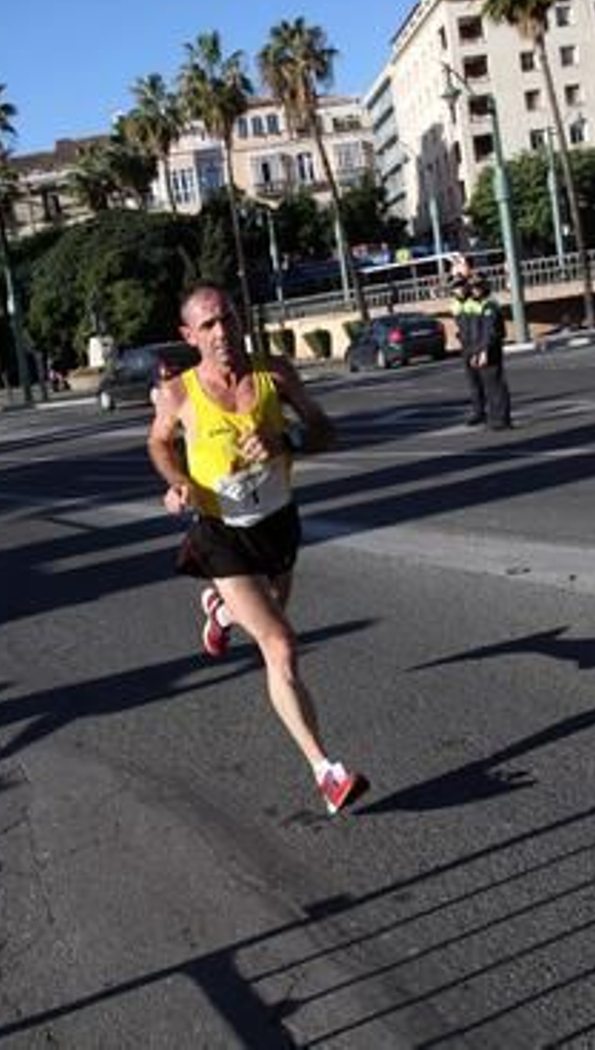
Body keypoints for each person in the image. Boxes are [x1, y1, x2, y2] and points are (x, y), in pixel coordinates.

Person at [147, 282, 368, 815]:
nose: (222, 332)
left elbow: (326, 431)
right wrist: (178, 481)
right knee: (281, 646)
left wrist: (285, 440)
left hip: (278, 524)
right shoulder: (180, 392)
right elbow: (158, 441)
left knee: (273, 627)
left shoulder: (276, 374)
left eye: (227, 318)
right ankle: (326, 771)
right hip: (222, 532)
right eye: (208, 326)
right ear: (189, 336)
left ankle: (220, 610)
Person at [452, 260, 513, 430]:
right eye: (473, 287)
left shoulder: (489, 305)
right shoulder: (475, 305)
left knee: (495, 385)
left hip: (490, 349)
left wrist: (483, 351)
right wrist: (474, 352)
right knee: (488, 385)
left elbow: (489, 332)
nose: (475, 289)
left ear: (484, 287)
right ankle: (494, 419)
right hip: (477, 348)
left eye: (478, 286)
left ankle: (502, 419)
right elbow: (473, 331)